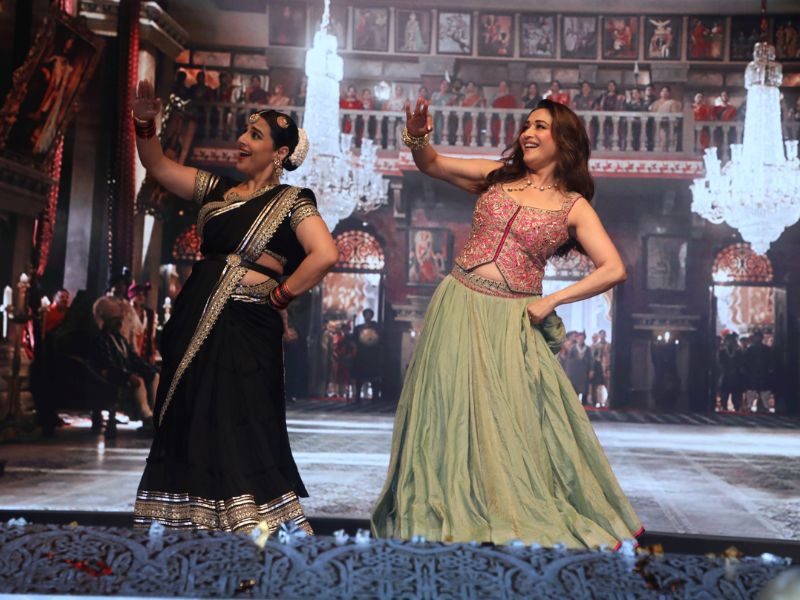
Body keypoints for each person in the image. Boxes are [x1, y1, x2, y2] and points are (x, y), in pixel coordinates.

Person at [372, 97, 642, 548]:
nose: (527, 133)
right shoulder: (497, 176)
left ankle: (507, 508)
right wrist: (417, 137)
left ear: (564, 141)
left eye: (540, 126)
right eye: (527, 125)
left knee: (510, 417)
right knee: (447, 408)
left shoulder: (573, 206)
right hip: (458, 303)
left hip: (512, 319)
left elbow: (614, 268)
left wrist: (552, 300)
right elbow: (432, 164)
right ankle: (445, 505)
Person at [130, 79, 339, 533]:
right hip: (195, 312)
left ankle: (251, 521)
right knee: (189, 408)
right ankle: (187, 518)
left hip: (246, 322)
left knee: (239, 413)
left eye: (255, 136)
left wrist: (279, 295)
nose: (242, 140)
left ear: (279, 153)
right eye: (244, 132)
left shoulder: (292, 201)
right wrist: (145, 123)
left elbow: (324, 254)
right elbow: (158, 165)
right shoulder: (216, 190)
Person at [352, 308, 382, 403]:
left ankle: (375, 397)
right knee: (359, 377)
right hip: (361, 354)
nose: (368, 316)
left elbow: (380, 340)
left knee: (374, 378)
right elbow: (354, 340)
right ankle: (357, 397)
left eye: (369, 314)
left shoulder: (377, 327)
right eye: (366, 314)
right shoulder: (358, 328)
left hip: (373, 355)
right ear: (364, 316)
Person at [742, 330, 774, 413]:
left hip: (762, 373)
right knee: (751, 391)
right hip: (753, 373)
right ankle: (749, 406)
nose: (758, 339)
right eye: (756, 337)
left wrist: (770, 370)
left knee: (763, 391)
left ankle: (764, 407)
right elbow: (745, 362)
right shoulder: (750, 350)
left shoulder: (766, 349)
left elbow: (771, 361)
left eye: (758, 337)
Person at [717, 332, 743, 411]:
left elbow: (741, 363)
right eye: (728, 341)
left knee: (736, 394)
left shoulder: (739, 352)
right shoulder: (722, 352)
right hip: (725, 375)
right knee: (724, 393)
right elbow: (720, 363)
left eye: (732, 340)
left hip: (736, 376)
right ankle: (724, 405)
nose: (730, 342)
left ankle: (737, 406)